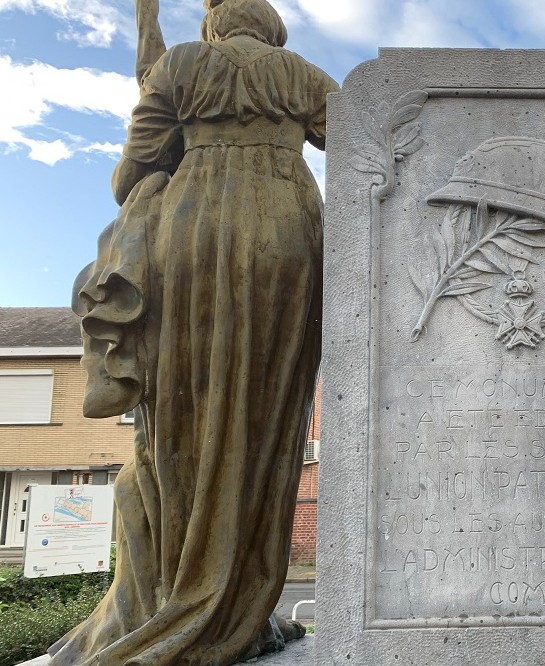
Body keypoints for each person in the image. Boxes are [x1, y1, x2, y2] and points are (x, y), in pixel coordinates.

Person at [54, 1, 337, 663]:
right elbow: (366, 150)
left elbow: (132, 174)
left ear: (216, 23)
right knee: (266, 419)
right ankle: (237, 605)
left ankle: (172, 594)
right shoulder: (303, 74)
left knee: (177, 415)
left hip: (187, 236)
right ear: (270, 26)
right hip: (287, 236)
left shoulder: (179, 64)